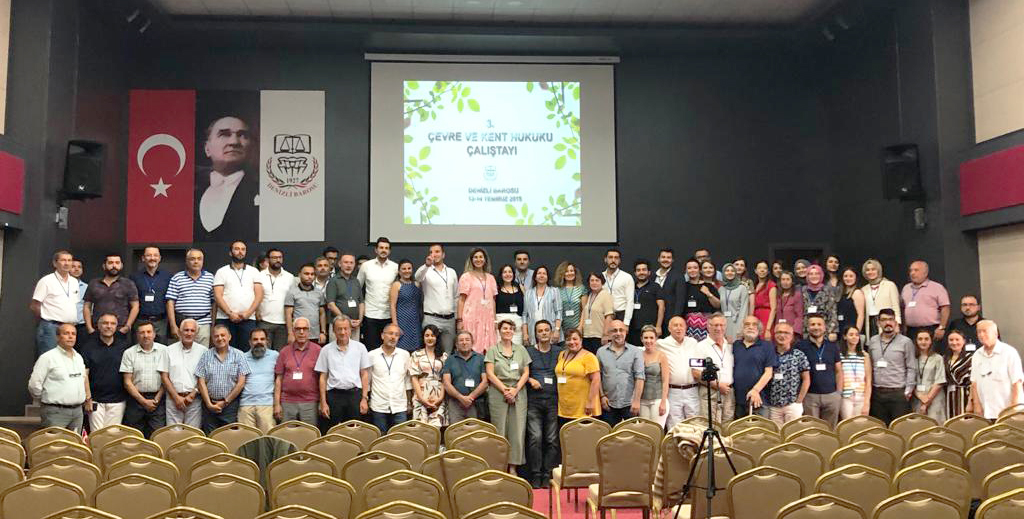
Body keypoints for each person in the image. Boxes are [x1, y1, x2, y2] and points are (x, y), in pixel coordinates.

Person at [194, 115, 258, 241]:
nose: (234, 142)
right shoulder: (190, 191)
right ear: (207, 148)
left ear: (251, 147)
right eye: (224, 134)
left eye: (242, 135)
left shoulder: (261, 191)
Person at [485, 320, 531, 473]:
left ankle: (513, 467)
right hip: (498, 392)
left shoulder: (521, 350)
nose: (507, 331)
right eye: (504, 328)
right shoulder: (492, 350)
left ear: (514, 331)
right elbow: (490, 373)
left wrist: (515, 390)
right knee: (500, 430)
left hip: (518, 391)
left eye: (510, 329)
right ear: (499, 331)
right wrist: (505, 390)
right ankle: (500, 467)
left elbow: (526, 373)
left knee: (517, 431)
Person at [28, 324, 89, 433]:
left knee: (75, 443)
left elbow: (83, 379)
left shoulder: (78, 357)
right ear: (57, 337)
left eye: (73, 334)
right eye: (66, 333)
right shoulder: (48, 357)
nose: (70, 336)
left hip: (77, 412)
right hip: (55, 412)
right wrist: (45, 399)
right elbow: (34, 384)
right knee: (55, 443)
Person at [525, 320, 563, 488]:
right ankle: (536, 474)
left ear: (551, 332)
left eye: (547, 330)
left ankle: (547, 474)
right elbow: (520, 372)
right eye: (540, 331)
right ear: (536, 334)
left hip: (553, 400)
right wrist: (530, 379)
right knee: (535, 438)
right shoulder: (528, 352)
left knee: (552, 439)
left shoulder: (559, 352)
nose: (544, 333)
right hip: (534, 401)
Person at [316, 316, 372, 429]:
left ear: (350, 330)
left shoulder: (360, 348)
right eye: (339, 329)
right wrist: (323, 402)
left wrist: (364, 398)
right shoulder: (326, 350)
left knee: (354, 431)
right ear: (333, 330)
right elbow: (323, 377)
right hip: (333, 396)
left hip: (354, 395)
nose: (342, 332)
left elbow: (365, 374)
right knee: (333, 430)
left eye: (345, 328)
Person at [195, 325, 251, 434]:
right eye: (216, 336)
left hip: (230, 405)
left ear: (229, 337)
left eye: (222, 335)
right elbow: (201, 381)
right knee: (211, 437)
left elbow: (241, 383)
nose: (220, 338)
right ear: (212, 339)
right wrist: (209, 404)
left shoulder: (239, 355)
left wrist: (225, 402)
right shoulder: (206, 355)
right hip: (209, 405)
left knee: (229, 437)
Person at [865, 308, 916, 425]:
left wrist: (908, 391)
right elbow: (870, 366)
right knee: (879, 429)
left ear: (895, 322)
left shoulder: (906, 342)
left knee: (899, 429)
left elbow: (911, 367)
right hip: (877, 394)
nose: (888, 323)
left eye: (891, 319)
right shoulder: (873, 341)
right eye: (884, 320)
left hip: (898, 393)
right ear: (878, 323)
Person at [80, 313, 130, 431]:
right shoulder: (88, 347)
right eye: (105, 323)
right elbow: (84, 375)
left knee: (112, 436)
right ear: (98, 326)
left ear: (116, 327)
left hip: (118, 400)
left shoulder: (124, 347)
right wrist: (88, 398)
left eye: (112, 323)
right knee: (96, 436)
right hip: (95, 400)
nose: (108, 326)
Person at [213, 241, 263, 352]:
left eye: (243, 249)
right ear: (230, 252)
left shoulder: (254, 271)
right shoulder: (221, 271)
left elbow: (259, 295)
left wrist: (249, 313)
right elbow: (217, 295)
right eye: (236, 249)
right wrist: (230, 313)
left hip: (248, 318)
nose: (240, 252)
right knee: (225, 351)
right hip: (225, 318)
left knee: (247, 352)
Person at [794, 314, 843, 427]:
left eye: (819, 324)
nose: (816, 327)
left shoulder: (833, 346)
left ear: (824, 327)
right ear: (807, 327)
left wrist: (838, 393)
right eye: (812, 324)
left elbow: (839, 371)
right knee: (811, 430)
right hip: (810, 396)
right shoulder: (800, 346)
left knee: (830, 430)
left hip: (831, 396)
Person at [120, 321, 168, 437]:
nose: (146, 335)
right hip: (136, 400)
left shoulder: (165, 351)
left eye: (149, 332)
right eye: (142, 332)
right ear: (137, 335)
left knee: (157, 436)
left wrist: (156, 399)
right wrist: (143, 401)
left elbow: (167, 378)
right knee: (134, 438)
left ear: (154, 334)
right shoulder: (129, 353)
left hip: (158, 400)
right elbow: (127, 382)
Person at [273, 317, 322, 426]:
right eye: (298, 329)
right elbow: (278, 380)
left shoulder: (318, 350)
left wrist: (322, 402)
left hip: (310, 402)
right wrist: (277, 404)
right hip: (287, 401)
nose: (301, 332)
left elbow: (322, 378)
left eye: (305, 329)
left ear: (309, 331)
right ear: (293, 331)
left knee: (309, 434)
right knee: (287, 434)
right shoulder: (284, 352)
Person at [159, 318, 207, 428]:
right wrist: (176, 397)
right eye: (186, 330)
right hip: (173, 399)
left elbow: (205, 377)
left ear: (196, 333)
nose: (189, 333)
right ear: (180, 332)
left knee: (193, 434)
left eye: (192, 330)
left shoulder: (203, 351)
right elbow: (164, 377)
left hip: (194, 400)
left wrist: (193, 394)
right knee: (173, 434)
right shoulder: (168, 350)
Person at [970, 320, 1023, 419]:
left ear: (995, 333)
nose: (981, 335)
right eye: (979, 332)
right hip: (986, 411)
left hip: (1008, 410)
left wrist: (1013, 408)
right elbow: (974, 383)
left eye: (985, 331)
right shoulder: (977, 355)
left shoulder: (1009, 352)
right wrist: (977, 406)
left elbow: (1017, 383)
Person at [596, 320, 645, 427]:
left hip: (630, 403)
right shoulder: (601, 352)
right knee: (610, 434)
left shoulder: (636, 352)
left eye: (621, 330)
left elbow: (640, 377)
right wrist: (602, 396)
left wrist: (636, 401)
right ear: (609, 333)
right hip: (608, 403)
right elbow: (597, 376)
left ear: (626, 332)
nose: (618, 333)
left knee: (633, 434)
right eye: (614, 330)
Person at [166, 248, 216, 347]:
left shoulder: (210, 278)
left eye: (199, 259)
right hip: (182, 323)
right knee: (181, 353)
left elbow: (214, 303)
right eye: (192, 259)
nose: (196, 261)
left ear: (203, 261)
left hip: (203, 323)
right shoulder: (177, 278)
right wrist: (173, 325)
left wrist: (213, 325)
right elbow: (170, 302)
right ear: (187, 261)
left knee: (202, 353)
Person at [416, 244, 460, 354]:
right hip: (432, 318)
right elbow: (417, 277)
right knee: (430, 352)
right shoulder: (426, 270)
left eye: (437, 251)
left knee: (447, 353)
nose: (434, 254)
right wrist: (426, 265)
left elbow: (456, 296)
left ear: (443, 254)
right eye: (431, 252)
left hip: (449, 319)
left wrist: (457, 318)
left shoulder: (451, 272)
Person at [657, 316, 701, 427]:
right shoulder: (661, 344)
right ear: (669, 328)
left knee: (695, 425)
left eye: (681, 325)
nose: (678, 328)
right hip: (673, 391)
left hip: (692, 390)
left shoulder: (693, 342)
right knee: (675, 426)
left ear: (686, 328)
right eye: (675, 325)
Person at [84, 253, 139, 340]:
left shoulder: (128, 283)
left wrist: (127, 326)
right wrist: (89, 328)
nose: (114, 266)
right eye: (110, 263)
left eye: (117, 263)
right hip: (97, 329)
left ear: (121, 265)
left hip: (120, 330)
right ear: (104, 266)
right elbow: (87, 307)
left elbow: (135, 306)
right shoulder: (94, 283)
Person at [368, 324, 412, 433]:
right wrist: (366, 399)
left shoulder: (405, 355)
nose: (393, 337)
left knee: (400, 438)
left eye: (396, 335)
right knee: (380, 438)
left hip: (399, 405)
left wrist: (409, 402)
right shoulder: (371, 355)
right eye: (390, 333)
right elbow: (367, 381)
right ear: (382, 336)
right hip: (379, 405)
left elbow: (407, 381)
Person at [765, 322, 810, 426]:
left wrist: (799, 401)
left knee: (793, 433)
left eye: (786, 333)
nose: (782, 335)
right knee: (776, 434)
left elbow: (806, 379)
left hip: (792, 404)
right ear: (774, 335)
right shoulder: (769, 354)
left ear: (792, 336)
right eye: (779, 332)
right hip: (773, 406)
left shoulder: (799, 355)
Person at [358, 237, 399, 350]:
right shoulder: (366, 266)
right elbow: (358, 288)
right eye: (381, 247)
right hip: (370, 314)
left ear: (389, 251)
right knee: (371, 349)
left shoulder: (395, 267)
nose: (383, 250)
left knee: (388, 348)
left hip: (388, 315)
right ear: (376, 250)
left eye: (386, 248)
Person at [732, 316, 777, 418]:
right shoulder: (735, 345)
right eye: (747, 324)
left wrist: (755, 390)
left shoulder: (767, 346)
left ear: (759, 328)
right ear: (742, 328)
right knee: (738, 428)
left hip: (759, 399)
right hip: (738, 400)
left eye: (754, 324)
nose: (750, 327)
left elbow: (769, 373)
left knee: (759, 428)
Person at [555, 328, 601, 427]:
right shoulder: (561, 355)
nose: (572, 342)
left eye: (575, 339)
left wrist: (590, 402)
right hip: (565, 407)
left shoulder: (589, 357)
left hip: (583, 408)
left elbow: (596, 380)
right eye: (568, 339)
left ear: (581, 340)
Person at [693, 314, 735, 423]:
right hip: (710, 392)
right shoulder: (700, 346)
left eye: (722, 325)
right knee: (712, 425)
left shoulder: (730, 346)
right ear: (708, 326)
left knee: (728, 425)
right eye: (715, 325)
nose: (719, 328)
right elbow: (696, 373)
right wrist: (717, 385)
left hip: (729, 392)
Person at [901, 260, 951, 350]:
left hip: (931, 329)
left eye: (916, 270)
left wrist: (942, 327)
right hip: (911, 331)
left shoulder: (937, 287)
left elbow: (945, 308)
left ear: (925, 273)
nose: (912, 273)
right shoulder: (906, 288)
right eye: (911, 270)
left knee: (931, 355)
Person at [442, 330, 489, 422]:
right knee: (456, 430)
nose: (464, 342)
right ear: (456, 344)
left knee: (475, 430)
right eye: (461, 340)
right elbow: (446, 383)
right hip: (455, 403)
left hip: (476, 403)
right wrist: (461, 398)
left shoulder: (481, 358)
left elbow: (485, 382)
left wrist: (471, 397)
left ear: (472, 342)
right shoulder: (450, 360)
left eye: (467, 340)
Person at [458, 248, 498, 354]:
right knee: (472, 346)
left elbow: (493, 300)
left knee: (489, 348)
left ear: (485, 260)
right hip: (471, 317)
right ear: (471, 260)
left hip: (488, 318)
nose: (478, 259)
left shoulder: (491, 278)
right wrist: (459, 320)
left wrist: (495, 320)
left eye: (481, 257)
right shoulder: (466, 277)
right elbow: (461, 300)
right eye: (475, 257)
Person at [239, 329, 279, 433]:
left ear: (267, 341)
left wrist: (277, 404)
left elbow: (279, 381)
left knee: (267, 438)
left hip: (267, 405)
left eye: (262, 339)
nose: (259, 342)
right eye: (255, 339)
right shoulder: (242, 357)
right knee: (246, 439)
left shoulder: (275, 356)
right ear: (250, 342)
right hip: (246, 405)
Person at [409, 325, 448, 427]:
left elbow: (445, 379)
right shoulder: (416, 354)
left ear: (437, 337)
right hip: (421, 394)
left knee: (436, 427)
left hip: (438, 395)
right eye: (427, 335)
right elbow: (414, 378)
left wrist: (440, 398)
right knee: (420, 428)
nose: (430, 338)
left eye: (433, 335)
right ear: (423, 337)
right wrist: (421, 398)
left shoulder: (443, 356)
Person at [130, 246, 172, 342]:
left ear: (159, 258)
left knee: (161, 349)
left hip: (161, 321)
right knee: (139, 348)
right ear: (143, 258)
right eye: (149, 255)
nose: (152, 258)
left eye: (155, 255)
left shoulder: (168, 277)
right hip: (140, 321)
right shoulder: (134, 277)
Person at [673, 258, 720, 341]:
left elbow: (718, 305)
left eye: (695, 267)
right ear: (686, 270)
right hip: (688, 326)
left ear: (700, 270)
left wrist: (708, 294)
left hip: (706, 325)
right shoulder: (683, 287)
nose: (692, 270)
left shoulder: (708, 286)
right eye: (689, 268)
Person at [257, 248, 293, 350]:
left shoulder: (289, 277)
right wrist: (256, 310)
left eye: (280, 257)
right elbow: (254, 296)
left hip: (283, 323)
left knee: (280, 354)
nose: (278, 260)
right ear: (268, 259)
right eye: (274, 257)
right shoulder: (259, 276)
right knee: (264, 353)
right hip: (264, 321)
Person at [285, 264, 327, 346]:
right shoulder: (292, 292)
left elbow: (322, 314)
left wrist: (323, 332)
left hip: (315, 334)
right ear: (300, 275)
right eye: (306, 274)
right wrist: (290, 333)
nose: (309, 277)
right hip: (298, 334)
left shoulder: (319, 293)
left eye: (312, 274)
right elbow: (288, 314)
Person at [860, 259, 901, 340]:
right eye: (868, 270)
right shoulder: (863, 289)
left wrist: (897, 324)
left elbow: (896, 307)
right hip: (870, 323)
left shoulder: (890, 285)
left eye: (873, 269)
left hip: (887, 322)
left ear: (878, 270)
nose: (870, 272)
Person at [326, 253, 364, 341]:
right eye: (346, 262)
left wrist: (360, 320)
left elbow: (361, 302)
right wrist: (346, 321)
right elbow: (331, 305)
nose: (349, 265)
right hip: (339, 324)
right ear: (340, 264)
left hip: (355, 325)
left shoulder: (356, 281)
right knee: (337, 348)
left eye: (351, 263)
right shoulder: (333, 281)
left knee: (354, 348)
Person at [912, 330, 947, 422]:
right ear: (916, 341)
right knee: (918, 426)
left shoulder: (938, 358)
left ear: (931, 341)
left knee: (935, 425)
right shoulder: (912, 358)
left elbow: (939, 381)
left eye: (926, 339)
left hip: (934, 398)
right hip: (918, 398)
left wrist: (927, 401)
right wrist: (919, 396)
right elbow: (910, 380)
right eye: (920, 339)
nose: (923, 342)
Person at [388, 259, 423, 352]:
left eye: (409, 268)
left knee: (416, 348)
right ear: (399, 271)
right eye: (404, 269)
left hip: (415, 322)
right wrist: (395, 324)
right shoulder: (396, 285)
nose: (407, 271)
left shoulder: (417, 284)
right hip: (402, 322)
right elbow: (392, 305)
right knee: (402, 348)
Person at [523, 266, 563, 346]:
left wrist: (557, 330)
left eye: (544, 274)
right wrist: (525, 333)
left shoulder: (554, 291)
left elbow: (558, 312)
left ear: (547, 277)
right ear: (535, 277)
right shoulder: (528, 293)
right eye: (539, 273)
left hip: (551, 332)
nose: (541, 275)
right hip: (533, 333)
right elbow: (525, 315)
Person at [638, 325, 670, 427]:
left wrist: (663, 402)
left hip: (658, 400)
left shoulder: (661, 356)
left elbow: (665, 380)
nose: (649, 341)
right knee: (644, 431)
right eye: (646, 338)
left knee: (656, 430)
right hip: (642, 401)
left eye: (651, 338)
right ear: (641, 339)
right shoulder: (638, 355)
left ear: (656, 339)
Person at [628, 259, 664, 345]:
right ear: (635, 273)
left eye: (644, 270)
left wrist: (658, 326)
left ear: (649, 272)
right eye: (638, 270)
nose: (641, 272)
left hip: (650, 329)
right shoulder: (630, 287)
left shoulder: (655, 287)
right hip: (633, 329)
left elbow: (661, 307)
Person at [839, 326, 872, 419]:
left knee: (861, 424)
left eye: (857, 335)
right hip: (846, 396)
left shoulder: (864, 356)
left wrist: (867, 402)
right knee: (847, 424)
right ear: (845, 337)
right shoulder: (840, 355)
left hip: (861, 396)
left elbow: (868, 380)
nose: (854, 337)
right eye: (851, 334)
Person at [801, 265, 839, 341]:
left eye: (817, 274)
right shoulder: (803, 290)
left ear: (821, 275)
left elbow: (833, 312)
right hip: (806, 330)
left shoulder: (828, 290)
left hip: (824, 330)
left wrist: (832, 331)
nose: (814, 276)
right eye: (811, 274)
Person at [580, 273, 614, 354]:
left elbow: (609, 316)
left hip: (599, 336)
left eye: (597, 280)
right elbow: (585, 312)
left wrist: (605, 335)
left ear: (602, 282)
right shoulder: (590, 295)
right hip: (587, 335)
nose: (594, 283)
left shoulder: (605, 295)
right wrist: (580, 328)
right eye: (592, 280)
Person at [944, 329, 974, 418]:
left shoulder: (970, 358)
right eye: (951, 340)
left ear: (963, 341)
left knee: (964, 421)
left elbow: (973, 382)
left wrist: (971, 401)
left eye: (957, 339)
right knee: (950, 421)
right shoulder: (945, 358)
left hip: (965, 395)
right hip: (949, 395)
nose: (954, 342)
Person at [495, 264, 526, 347]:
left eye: (510, 272)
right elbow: (492, 306)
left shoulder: (520, 287)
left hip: (517, 326)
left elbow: (525, 307)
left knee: (517, 349)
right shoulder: (496, 288)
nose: (508, 274)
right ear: (501, 275)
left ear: (513, 274)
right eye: (505, 272)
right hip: (501, 324)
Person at [602, 249, 635, 325]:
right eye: (610, 257)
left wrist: (626, 322)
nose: (613, 260)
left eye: (616, 258)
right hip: (604, 315)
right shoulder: (600, 277)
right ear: (605, 259)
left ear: (619, 260)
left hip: (621, 315)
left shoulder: (627, 277)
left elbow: (630, 301)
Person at [655, 248, 684, 333]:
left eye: (668, 257)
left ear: (672, 260)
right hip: (654, 319)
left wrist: (675, 319)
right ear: (658, 259)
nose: (666, 260)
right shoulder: (652, 276)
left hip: (670, 319)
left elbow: (680, 300)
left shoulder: (678, 276)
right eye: (663, 257)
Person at [718, 264, 749, 342]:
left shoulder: (742, 288)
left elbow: (744, 309)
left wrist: (741, 327)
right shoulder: (721, 289)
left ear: (735, 273)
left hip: (737, 322)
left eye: (732, 271)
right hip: (723, 323)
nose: (730, 273)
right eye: (727, 271)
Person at [555, 262, 585, 339]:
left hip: (577, 328)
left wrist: (580, 327)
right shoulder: (557, 290)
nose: (569, 273)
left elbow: (585, 310)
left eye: (571, 271)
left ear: (575, 273)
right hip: (562, 329)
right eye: (566, 271)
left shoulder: (581, 288)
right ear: (562, 274)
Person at [752, 260, 778, 341]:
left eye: (765, 268)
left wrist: (768, 329)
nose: (762, 270)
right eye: (759, 268)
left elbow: (774, 308)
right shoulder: (754, 285)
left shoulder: (771, 285)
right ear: (755, 271)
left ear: (768, 271)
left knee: (765, 341)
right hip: (756, 316)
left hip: (766, 317)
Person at [775, 271, 804, 339]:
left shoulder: (797, 295)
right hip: (780, 330)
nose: (785, 282)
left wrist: (794, 331)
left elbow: (799, 315)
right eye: (783, 279)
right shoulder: (778, 296)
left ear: (792, 282)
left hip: (792, 331)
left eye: (788, 279)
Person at [837, 267, 865, 335]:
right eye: (845, 276)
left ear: (856, 278)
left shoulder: (857, 293)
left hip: (852, 330)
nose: (848, 278)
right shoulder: (841, 292)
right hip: (842, 328)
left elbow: (861, 315)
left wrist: (857, 333)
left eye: (851, 276)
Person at [71, 258, 90, 346]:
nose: (76, 269)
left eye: (79, 267)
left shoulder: (87, 288)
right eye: (73, 266)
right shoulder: (60, 286)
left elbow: (90, 308)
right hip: (63, 325)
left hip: (81, 326)